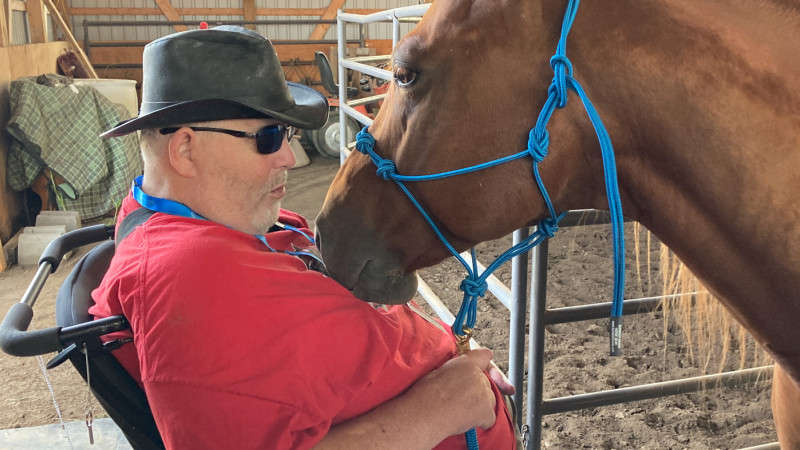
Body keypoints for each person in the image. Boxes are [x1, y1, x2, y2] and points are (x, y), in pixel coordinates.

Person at [91, 25, 518, 449]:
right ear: (185, 150)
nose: (291, 159)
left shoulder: (220, 218)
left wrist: (452, 362)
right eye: (269, 137)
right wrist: (442, 407)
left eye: (288, 134)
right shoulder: (186, 276)